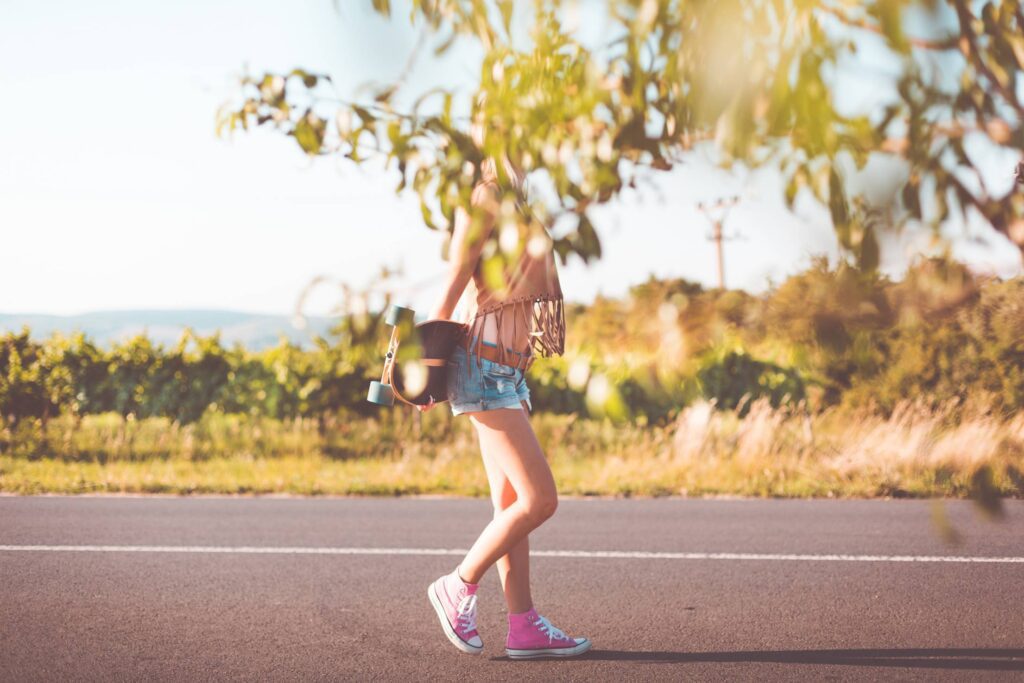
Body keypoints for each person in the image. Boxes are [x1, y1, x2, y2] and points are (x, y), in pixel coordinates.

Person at [419, 108, 591, 661]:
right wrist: (423, 368)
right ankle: (458, 584)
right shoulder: (486, 198)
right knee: (541, 500)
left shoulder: (515, 202)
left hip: (507, 371)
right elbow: (453, 278)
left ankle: (523, 626)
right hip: (483, 366)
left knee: (511, 505)